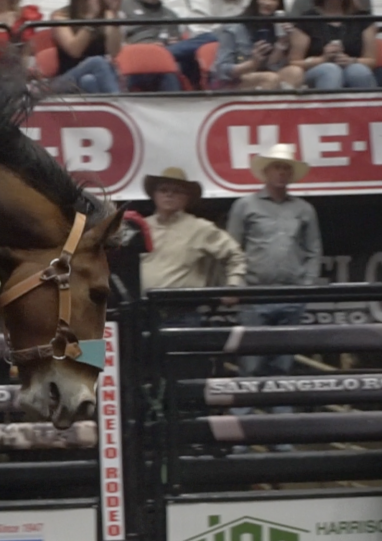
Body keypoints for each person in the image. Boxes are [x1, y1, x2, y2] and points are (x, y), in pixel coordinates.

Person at [226, 143, 321, 452]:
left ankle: (280, 435)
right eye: (276, 167)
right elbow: (232, 249)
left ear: (290, 174)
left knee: (282, 365)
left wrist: (305, 287)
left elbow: (313, 251)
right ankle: (241, 433)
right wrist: (235, 286)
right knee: (250, 365)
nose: (281, 172)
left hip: (291, 296)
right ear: (266, 172)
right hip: (254, 294)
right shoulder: (245, 206)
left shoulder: (304, 209)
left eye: (285, 168)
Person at [140, 167, 246, 326]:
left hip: (184, 313)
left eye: (177, 191)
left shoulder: (201, 228)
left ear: (186, 198)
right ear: (154, 195)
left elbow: (235, 255)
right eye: (163, 190)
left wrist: (233, 286)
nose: (169, 194)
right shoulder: (141, 227)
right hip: (144, 311)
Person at [210, 0, 302, 90]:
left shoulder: (276, 27)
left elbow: (272, 66)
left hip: (266, 73)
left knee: (295, 72)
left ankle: (285, 104)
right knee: (270, 78)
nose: (268, 3)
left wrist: (282, 42)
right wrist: (252, 63)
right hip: (236, 79)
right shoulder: (233, 28)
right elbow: (222, 70)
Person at [287, 0, 378, 89]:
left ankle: (367, 103)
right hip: (316, 69)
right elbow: (294, 62)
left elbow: (371, 61)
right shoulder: (306, 19)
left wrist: (351, 60)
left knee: (358, 71)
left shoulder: (363, 19)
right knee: (330, 70)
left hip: (352, 65)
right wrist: (322, 59)